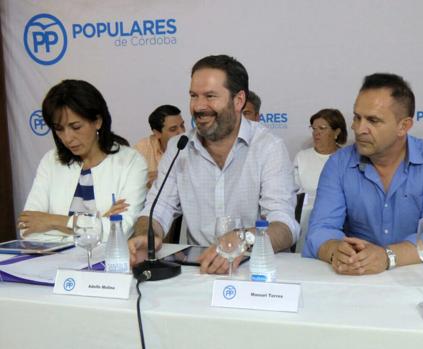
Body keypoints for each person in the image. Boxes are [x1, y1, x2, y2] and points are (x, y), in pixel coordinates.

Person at [128, 55, 299, 274]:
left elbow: (284, 226)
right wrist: (145, 235)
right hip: (197, 271)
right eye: (193, 96)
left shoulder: (268, 148)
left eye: (210, 96)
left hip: (253, 270)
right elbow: (157, 210)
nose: (198, 107)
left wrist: (242, 239)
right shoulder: (179, 147)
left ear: (238, 101)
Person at [302, 73, 423, 275]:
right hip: (355, 278)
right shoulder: (338, 164)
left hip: (419, 279)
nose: (359, 129)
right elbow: (320, 229)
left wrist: (387, 257)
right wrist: (335, 251)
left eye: (373, 120)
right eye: (357, 118)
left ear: (404, 126)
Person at [18, 79, 148, 242]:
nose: (67, 138)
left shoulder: (131, 162)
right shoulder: (51, 160)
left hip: (106, 263)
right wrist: (98, 222)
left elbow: (121, 230)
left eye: (76, 127)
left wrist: (52, 221)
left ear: (98, 121)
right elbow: (27, 228)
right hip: (52, 261)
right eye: (59, 129)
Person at [293, 108, 347, 252]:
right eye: (314, 128)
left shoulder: (347, 158)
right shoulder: (302, 157)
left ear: (337, 132)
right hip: (304, 224)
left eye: (322, 128)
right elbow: (293, 193)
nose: (316, 133)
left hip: (339, 224)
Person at [134, 105, 186, 188]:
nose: (182, 132)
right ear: (157, 133)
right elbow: (129, 181)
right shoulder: (142, 148)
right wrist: (144, 180)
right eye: (173, 129)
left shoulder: (193, 146)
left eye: (182, 125)